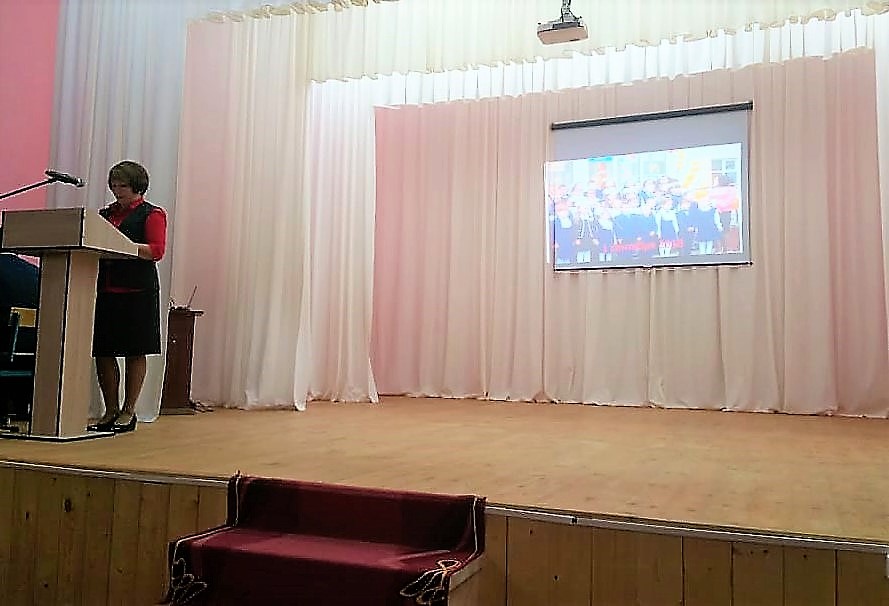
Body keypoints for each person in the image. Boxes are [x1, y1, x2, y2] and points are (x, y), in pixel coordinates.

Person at [88, 161, 167, 433]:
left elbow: (156, 251)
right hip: (105, 289)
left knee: (135, 350)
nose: (117, 191)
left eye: (122, 186)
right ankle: (110, 409)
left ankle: (129, 410)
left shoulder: (152, 214)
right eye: (114, 185)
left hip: (137, 291)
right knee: (103, 351)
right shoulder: (104, 214)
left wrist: (124, 247)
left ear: (137, 186)